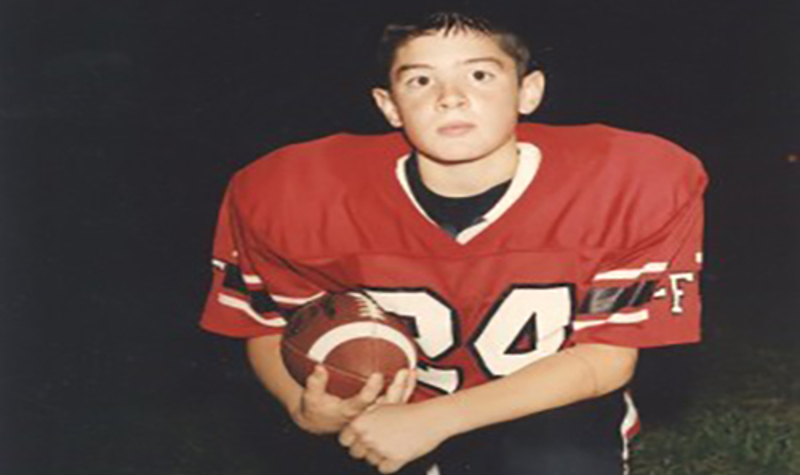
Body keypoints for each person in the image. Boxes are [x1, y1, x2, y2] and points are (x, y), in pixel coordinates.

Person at [200, 11, 707, 475]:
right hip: (388, 408)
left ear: (528, 91)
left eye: (480, 75)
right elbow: (268, 323)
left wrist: (434, 421)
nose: (450, 97)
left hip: (545, 402)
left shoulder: (627, 181)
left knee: (558, 460)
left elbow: (606, 359)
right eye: (420, 80)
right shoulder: (294, 193)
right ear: (389, 105)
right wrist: (304, 408)